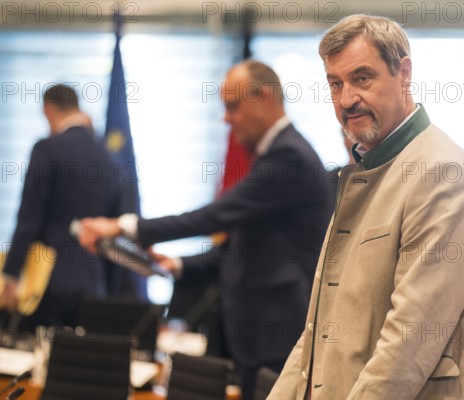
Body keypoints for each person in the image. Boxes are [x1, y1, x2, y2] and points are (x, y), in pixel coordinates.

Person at [268, 15, 464, 400]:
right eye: (334, 84)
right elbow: (316, 335)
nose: (346, 99)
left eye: (362, 78)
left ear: (404, 73)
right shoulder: (367, 169)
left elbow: (407, 343)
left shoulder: (443, 174)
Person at [78, 60, 335, 400]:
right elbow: (244, 245)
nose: (226, 119)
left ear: (265, 97)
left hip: (277, 338)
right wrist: (179, 265)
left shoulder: (290, 157)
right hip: (255, 338)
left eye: (233, 106)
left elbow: (212, 217)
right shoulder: (275, 153)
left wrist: (124, 226)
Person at [1, 84, 120, 330]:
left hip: (47, 282)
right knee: (75, 363)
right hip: (93, 284)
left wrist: (10, 277)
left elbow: (28, 220)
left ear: (48, 109)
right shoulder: (108, 157)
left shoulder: (48, 149)